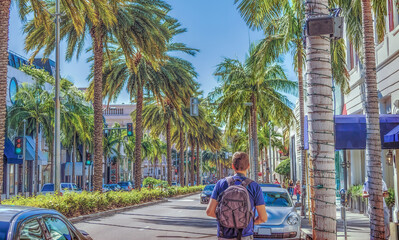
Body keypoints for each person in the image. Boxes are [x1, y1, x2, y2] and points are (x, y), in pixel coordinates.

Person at [206, 152, 267, 240]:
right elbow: (263, 218)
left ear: (233, 166)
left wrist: (226, 219)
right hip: (245, 235)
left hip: (224, 235)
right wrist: (245, 220)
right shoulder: (254, 186)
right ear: (248, 166)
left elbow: (209, 212)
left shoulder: (221, 184)